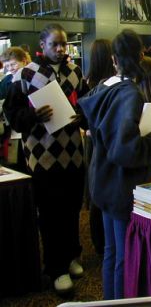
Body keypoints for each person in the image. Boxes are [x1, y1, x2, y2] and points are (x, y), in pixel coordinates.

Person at [79, 29, 151, 299]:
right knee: (124, 257)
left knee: (112, 253)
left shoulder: (101, 88)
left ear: (113, 59)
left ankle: (111, 301)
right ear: (141, 55)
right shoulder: (129, 94)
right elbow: (127, 151)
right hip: (121, 184)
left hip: (102, 180)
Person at [3, 23, 88, 293]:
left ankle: (71, 254)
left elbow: (85, 104)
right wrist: (33, 117)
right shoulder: (26, 75)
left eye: (64, 44)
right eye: (55, 44)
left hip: (74, 153)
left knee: (72, 208)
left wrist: (81, 117)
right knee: (51, 213)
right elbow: (12, 115)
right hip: (43, 158)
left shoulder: (75, 72)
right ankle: (56, 267)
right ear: (42, 46)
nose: (61, 49)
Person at [84, 39, 116, 255]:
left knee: (96, 186)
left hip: (92, 142)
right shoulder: (109, 86)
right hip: (106, 142)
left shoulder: (88, 82)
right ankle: (103, 240)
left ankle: (99, 241)